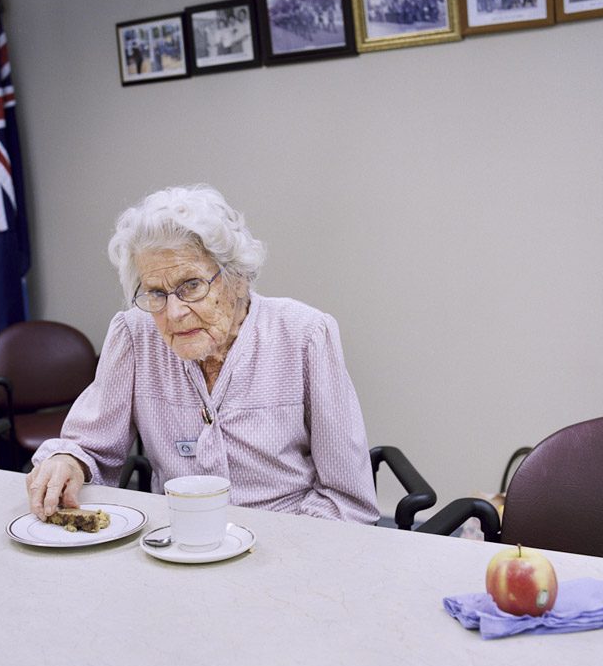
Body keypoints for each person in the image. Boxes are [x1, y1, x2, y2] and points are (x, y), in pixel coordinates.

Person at [26, 185, 379, 525]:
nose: (174, 312)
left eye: (191, 285)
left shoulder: (305, 334)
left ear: (237, 278)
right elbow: (90, 445)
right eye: (155, 292)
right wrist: (68, 460)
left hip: (286, 538)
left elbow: (346, 498)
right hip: (177, 540)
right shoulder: (135, 334)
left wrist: (284, 554)